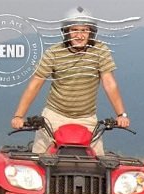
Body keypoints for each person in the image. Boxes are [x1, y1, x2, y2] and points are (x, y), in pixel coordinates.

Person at [10, 6, 130, 155]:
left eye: (84, 30)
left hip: (87, 118)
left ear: (91, 32)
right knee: (39, 160)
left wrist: (121, 115)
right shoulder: (53, 52)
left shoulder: (100, 51)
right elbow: (35, 85)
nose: (79, 35)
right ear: (66, 32)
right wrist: (18, 116)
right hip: (54, 117)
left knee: (99, 163)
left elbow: (109, 83)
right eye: (74, 30)